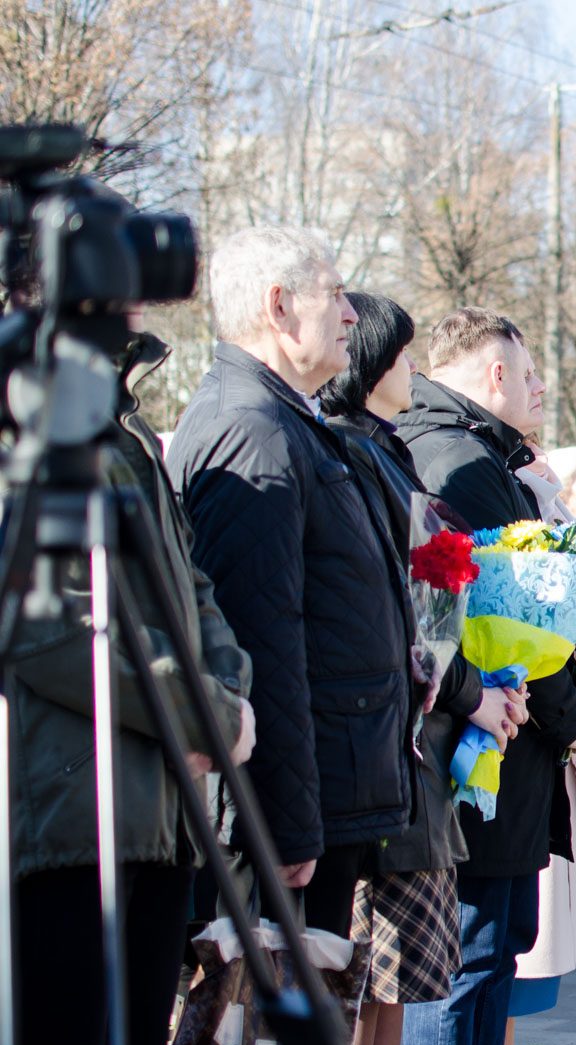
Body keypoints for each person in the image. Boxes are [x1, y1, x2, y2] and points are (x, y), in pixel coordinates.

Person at [10, 326, 255, 1045]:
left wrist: (226, 697)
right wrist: (204, 715)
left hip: (158, 811)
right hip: (72, 815)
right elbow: (47, 629)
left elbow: (193, 589)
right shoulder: (27, 422)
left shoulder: (125, 429)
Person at [395, 307, 576, 1045]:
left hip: (507, 735)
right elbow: (511, 612)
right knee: (471, 955)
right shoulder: (460, 460)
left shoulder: (480, 452)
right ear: (494, 375)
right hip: (482, 742)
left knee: (493, 949)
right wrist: (573, 721)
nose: (539, 387)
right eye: (528, 373)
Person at [320, 292, 530, 1045]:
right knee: (374, 978)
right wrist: (474, 692)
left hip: (422, 733)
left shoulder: (387, 452)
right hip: (397, 740)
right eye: (402, 355)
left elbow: (434, 594)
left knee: (399, 980)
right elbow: (397, 609)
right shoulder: (357, 450)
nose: (414, 370)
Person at [168, 226, 413, 936]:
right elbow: (256, 637)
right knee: (280, 1003)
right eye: (334, 294)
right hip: (293, 809)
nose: (350, 314)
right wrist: (282, 820)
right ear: (278, 306)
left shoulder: (283, 418)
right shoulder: (250, 430)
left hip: (328, 780)